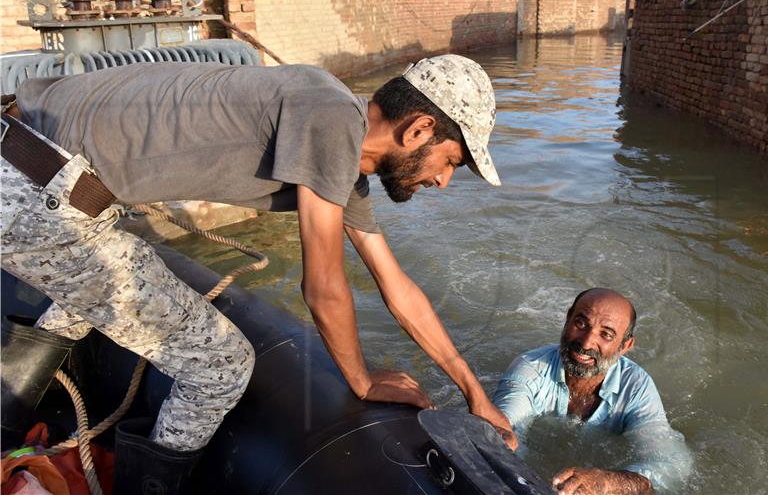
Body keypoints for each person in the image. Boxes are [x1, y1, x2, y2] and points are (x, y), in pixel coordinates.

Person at [1, 54, 515, 494]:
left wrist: (475, 394)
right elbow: (323, 288)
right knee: (221, 364)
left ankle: (8, 424)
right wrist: (361, 380)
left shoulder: (335, 138)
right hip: (37, 191)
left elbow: (397, 286)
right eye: (451, 161)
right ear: (420, 128)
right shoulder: (330, 119)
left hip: (28, 162)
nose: (444, 181)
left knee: (91, 287)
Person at [493, 288, 692, 494]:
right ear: (567, 319)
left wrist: (610, 482)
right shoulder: (530, 368)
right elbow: (505, 428)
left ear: (625, 345)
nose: (586, 342)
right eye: (580, 324)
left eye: (606, 334)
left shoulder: (636, 387)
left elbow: (671, 463)